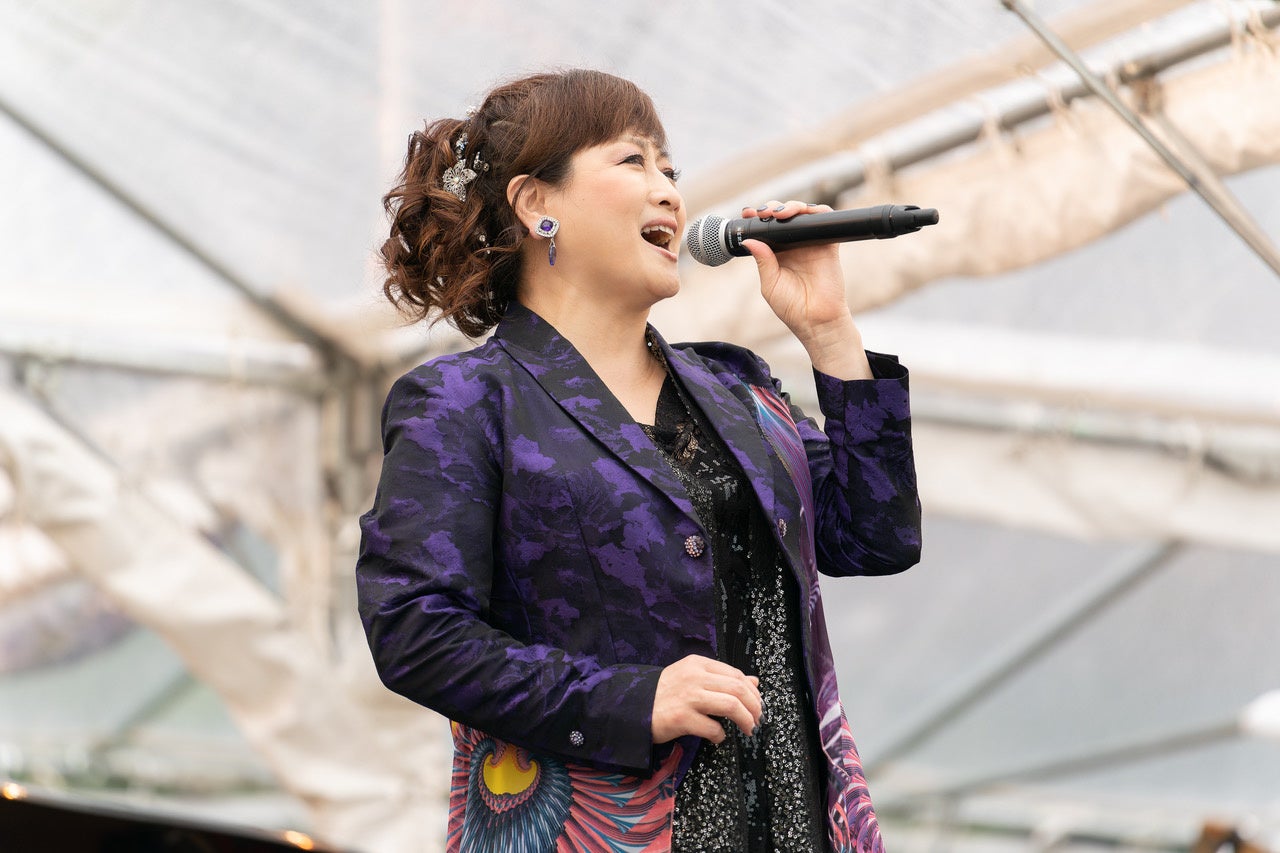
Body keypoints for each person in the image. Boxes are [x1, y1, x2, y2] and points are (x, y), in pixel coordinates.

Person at [356, 68, 921, 853]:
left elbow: (875, 535)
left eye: (671, 170)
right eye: (634, 161)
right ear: (537, 203)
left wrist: (829, 331)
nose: (669, 192)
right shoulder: (465, 401)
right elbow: (415, 630)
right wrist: (630, 699)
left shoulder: (737, 385)